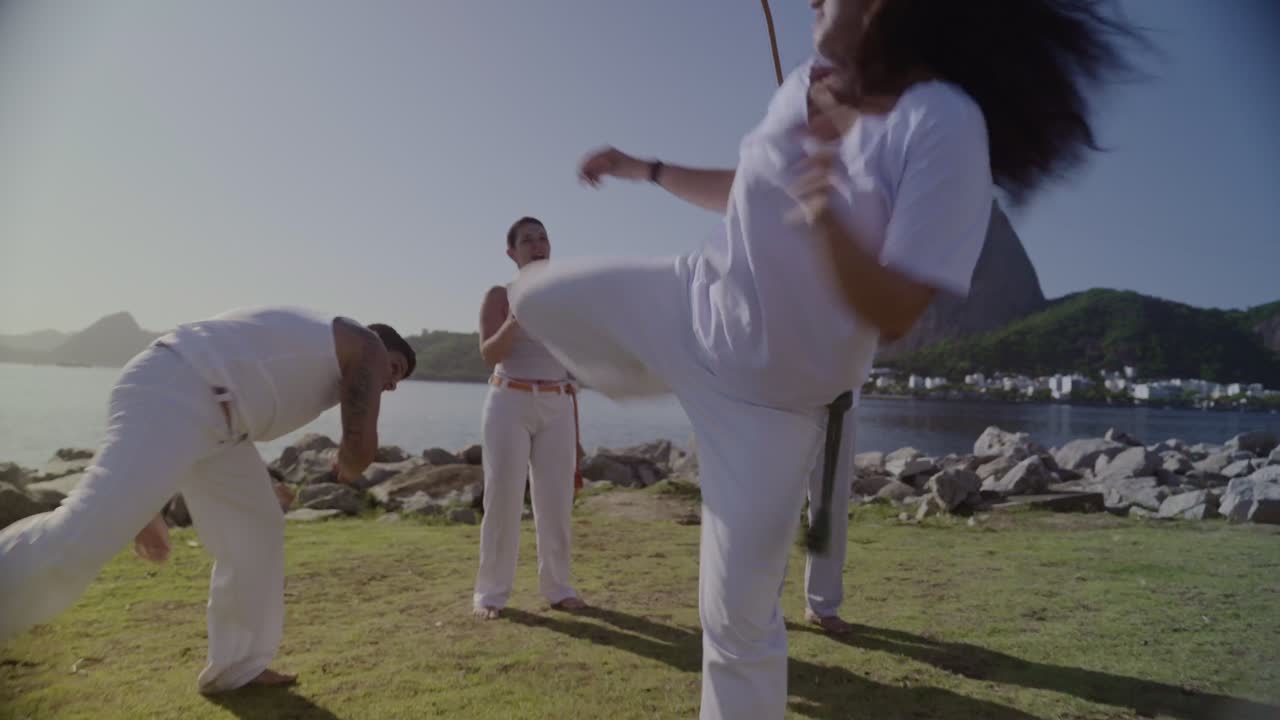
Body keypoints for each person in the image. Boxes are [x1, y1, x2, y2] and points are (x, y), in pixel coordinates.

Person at [507, 1, 1141, 716]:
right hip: (691, 306)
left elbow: (898, 308)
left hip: (773, 407)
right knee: (533, 293)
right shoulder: (802, 81)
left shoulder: (943, 122)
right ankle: (658, 376)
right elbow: (745, 191)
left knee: (734, 623)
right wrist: (644, 168)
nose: (810, 2)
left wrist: (826, 216)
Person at [0, 307, 416, 694]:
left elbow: (246, 403)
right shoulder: (365, 345)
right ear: (380, 346)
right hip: (179, 389)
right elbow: (358, 449)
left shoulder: (318, 353)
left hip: (218, 422)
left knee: (257, 527)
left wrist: (155, 503)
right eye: (395, 369)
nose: (393, 383)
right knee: (80, 536)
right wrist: (347, 462)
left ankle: (238, 667)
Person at [472, 217, 587, 620]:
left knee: (555, 502)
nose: (537, 245)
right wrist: (516, 317)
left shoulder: (565, 298)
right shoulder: (499, 295)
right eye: (527, 240)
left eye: (542, 238)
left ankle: (558, 588)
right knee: (502, 497)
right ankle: (491, 593)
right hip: (509, 400)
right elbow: (489, 353)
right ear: (511, 252)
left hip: (558, 403)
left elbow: (574, 363)